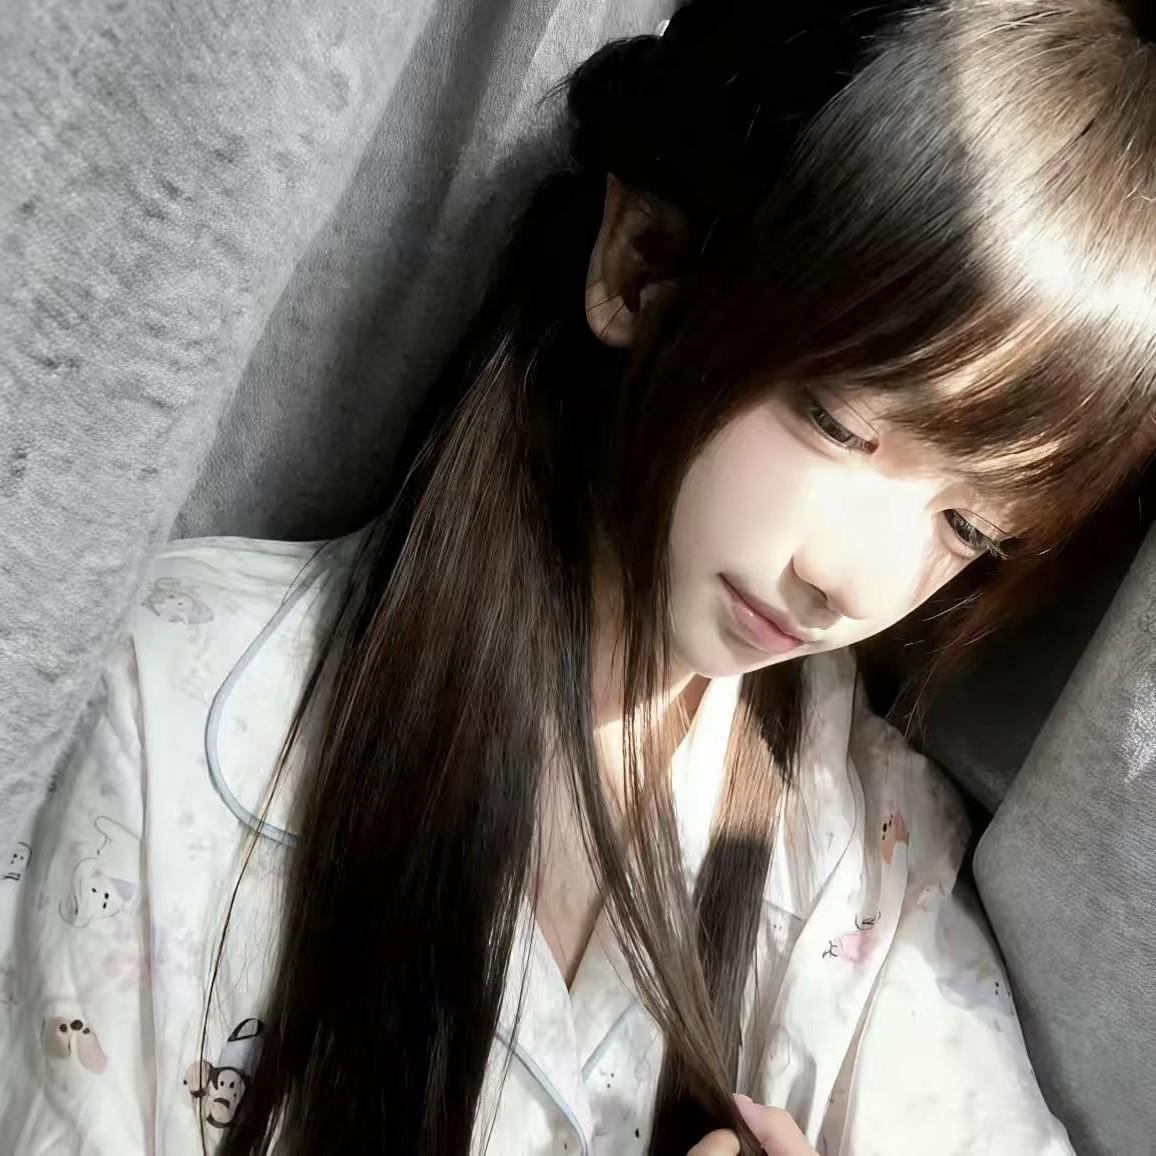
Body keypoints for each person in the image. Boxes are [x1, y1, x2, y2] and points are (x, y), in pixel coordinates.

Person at [2, 0, 1156, 1152]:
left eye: (969, 526)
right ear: (641, 264)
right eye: (838, 421)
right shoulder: (185, 692)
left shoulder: (874, 857)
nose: (852, 583)